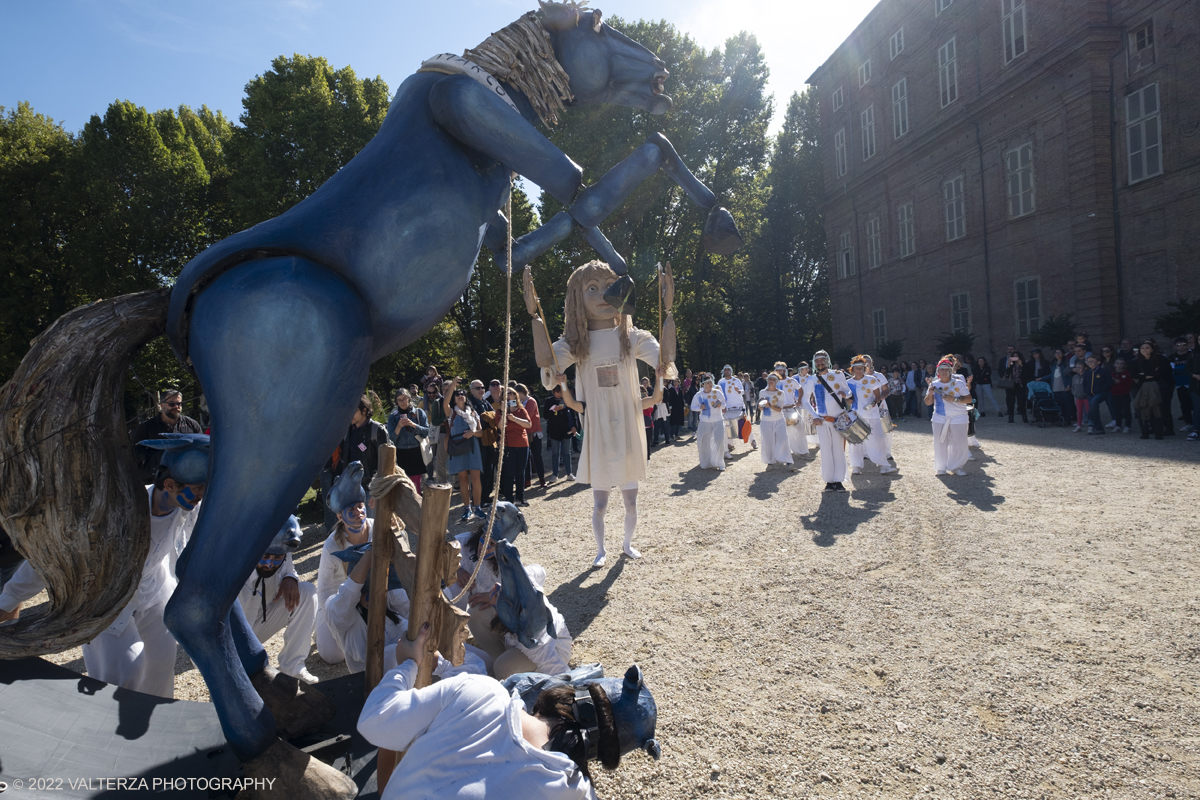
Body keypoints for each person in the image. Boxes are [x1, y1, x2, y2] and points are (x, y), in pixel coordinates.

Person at [358, 627, 660, 800]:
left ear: (575, 692)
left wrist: (406, 666)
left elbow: (373, 723)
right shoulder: (576, 793)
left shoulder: (481, 692)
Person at [536, 261, 669, 567]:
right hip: (599, 432)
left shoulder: (630, 336)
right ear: (576, 298)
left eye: (609, 287)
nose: (601, 295)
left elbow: (662, 356)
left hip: (627, 429)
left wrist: (663, 366)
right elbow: (550, 364)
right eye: (591, 288)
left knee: (631, 501)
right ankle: (600, 550)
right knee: (599, 504)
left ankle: (626, 543)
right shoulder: (575, 344)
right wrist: (556, 372)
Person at [81, 433, 209, 699]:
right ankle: (105, 731)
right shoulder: (119, 511)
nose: (202, 496)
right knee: (126, 669)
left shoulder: (188, 509)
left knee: (161, 662)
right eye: (198, 489)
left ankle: (153, 726)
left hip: (154, 592)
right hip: (109, 599)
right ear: (171, 484)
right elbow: (63, 554)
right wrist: (10, 598)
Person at [324, 544, 484, 677]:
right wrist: (370, 552)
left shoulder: (388, 595)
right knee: (399, 651)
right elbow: (349, 592)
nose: (385, 593)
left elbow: (415, 607)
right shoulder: (337, 609)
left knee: (483, 661)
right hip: (379, 673)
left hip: (419, 651)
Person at [236, 516, 319, 684]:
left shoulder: (282, 550)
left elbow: (289, 568)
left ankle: (293, 667)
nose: (269, 564)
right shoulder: (234, 566)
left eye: (277, 559)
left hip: (257, 626)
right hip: (229, 640)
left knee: (307, 592)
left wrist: (290, 577)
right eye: (265, 556)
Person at [315, 463, 373, 664]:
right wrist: (335, 623)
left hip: (368, 594)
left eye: (360, 506)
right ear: (339, 516)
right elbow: (323, 591)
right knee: (334, 656)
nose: (358, 512)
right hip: (338, 600)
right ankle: (319, 624)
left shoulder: (378, 529)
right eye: (351, 509)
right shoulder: (332, 544)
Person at [802, 350, 851, 493]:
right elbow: (805, 400)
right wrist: (814, 415)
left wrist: (845, 394)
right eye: (817, 360)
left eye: (822, 359)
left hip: (838, 420)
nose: (820, 362)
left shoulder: (838, 374)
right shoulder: (811, 379)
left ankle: (839, 480)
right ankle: (829, 481)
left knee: (838, 450)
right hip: (822, 421)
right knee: (826, 451)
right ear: (814, 362)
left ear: (827, 360)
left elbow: (848, 391)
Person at [131, 390, 204, 483]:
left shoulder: (191, 424)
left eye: (179, 403)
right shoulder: (146, 427)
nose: (176, 407)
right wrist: (158, 458)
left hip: (186, 478)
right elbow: (136, 452)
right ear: (161, 405)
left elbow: (201, 449)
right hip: (156, 480)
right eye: (171, 404)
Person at [846, 356, 897, 476]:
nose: (860, 371)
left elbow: (878, 396)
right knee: (856, 442)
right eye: (857, 368)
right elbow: (849, 402)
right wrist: (845, 396)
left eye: (862, 368)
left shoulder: (872, 380)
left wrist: (874, 402)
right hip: (856, 416)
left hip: (872, 414)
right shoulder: (848, 383)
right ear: (852, 369)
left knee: (878, 439)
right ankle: (856, 466)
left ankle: (884, 465)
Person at [925, 358, 971, 476]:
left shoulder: (958, 383)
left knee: (959, 442)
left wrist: (954, 399)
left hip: (958, 416)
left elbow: (968, 399)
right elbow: (928, 403)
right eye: (942, 369)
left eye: (947, 369)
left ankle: (957, 466)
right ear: (938, 371)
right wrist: (930, 393)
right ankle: (941, 467)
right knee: (940, 442)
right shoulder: (934, 384)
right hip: (940, 416)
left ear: (951, 371)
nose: (944, 372)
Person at [446, 387, 486, 521]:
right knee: (463, 480)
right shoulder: (451, 412)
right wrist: (453, 385)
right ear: (453, 398)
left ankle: (478, 508)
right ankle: (467, 508)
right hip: (458, 448)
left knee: (476, 478)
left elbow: (480, 433)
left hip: (473, 447)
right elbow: (445, 402)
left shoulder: (473, 413)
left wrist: (472, 433)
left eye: (462, 393)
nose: (460, 396)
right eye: (457, 394)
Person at [387, 388, 431, 494]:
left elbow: (426, 432)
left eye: (404, 399)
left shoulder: (419, 413)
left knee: (416, 486)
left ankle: (417, 508)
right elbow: (391, 440)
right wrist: (398, 427)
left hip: (416, 451)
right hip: (401, 453)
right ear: (396, 402)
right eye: (399, 400)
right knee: (404, 486)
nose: (402, 402)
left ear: (409, 398)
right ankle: (406, 509)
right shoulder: (393, 417)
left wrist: (413, 425)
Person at [498, 387, 533, 507]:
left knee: (520, 472)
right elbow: (500, 427)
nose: (508, 395)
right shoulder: (500, 411)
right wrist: (504, 413)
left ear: (515, 396)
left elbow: (528, 425)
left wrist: (514, 418)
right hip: (508, 445)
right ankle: (509, 498)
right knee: (509, 473)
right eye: (505, 394)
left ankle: (520, 497)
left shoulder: (521, 410)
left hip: (522, 445)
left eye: (511, 393)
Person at [1131, 339, 1172, 438]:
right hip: (1140, 387)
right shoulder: (1134, 362)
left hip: (1156, 386)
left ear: (1152, 349)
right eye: (1142, 348)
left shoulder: (1160, 359)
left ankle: (1158, 432)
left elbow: (1159, 373)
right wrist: (1149, 374)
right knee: (1141, 409)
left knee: (1157, 409)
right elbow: (1133, 375)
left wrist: (1143, 374)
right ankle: (1144, 432)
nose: (1145, 349)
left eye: (1147, 348)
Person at [756, 373, 795, 470]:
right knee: (768, 442)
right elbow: (760, 406)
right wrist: (760, 406)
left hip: (779, 420)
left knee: (783, 439)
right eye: (770, 379)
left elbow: (779, 409)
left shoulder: (781, 393)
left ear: (776, 381)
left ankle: (788, 461)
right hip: (766, 420)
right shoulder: (762, 392)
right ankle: (770, 462)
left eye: (773, 379)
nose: (771, 381)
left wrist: (770, 405)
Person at [690, 374, 727, 471]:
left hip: (718, 420)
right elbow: (692, 407)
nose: (710, 384)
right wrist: (699, 408)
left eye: (711, 382)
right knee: (704, 442)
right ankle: (706, 463)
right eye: (707, 383)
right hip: (704, 422)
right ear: (703, 385)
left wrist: (720, 406)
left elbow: (724, 404)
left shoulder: (717, 392)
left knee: (719, 441)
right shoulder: (699, 395)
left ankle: (720, 463)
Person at [543, 384, 579, 482]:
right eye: (557, 392)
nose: (559, 394)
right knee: (555, 453)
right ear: (554, 392)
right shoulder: (549, 401)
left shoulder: (567, 400)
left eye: (560, 392)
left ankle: (569, 473)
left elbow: (573, 414)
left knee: (567, 453)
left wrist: (574, 426)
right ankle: (555, 474)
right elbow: (546, 415)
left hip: (567, 431)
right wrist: (554, 410)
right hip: (554, 431)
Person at [518, 385, 547, 490]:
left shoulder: (531, 401)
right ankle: (527, 480)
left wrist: (516, 416)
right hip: (523, 432)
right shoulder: (519, 402)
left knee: (536, 456)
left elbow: (528, 416)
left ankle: (542, 478)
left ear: (522, 392)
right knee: (525, 457)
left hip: (533, 432)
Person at [421, 380, 448, 482]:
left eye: (434, 392)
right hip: (429, 430)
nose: (431, 395)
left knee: (440, 458)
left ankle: (443, 480)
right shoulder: (423, 403)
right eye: (429, 393)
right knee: (430, 456)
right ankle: (430, 477)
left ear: (437, 392)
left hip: (441, 430)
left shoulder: (442, 401)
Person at [718, 365, 745, 458]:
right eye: (725, 369)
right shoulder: (721, 382)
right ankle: (729, 444)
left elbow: (743, 391)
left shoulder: (736, 380)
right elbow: (719, 395)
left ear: (731, 371)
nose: (727, 371)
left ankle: (752, 440)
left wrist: (739, 391)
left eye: (728, 369)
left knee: (742, 424)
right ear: (723, 371)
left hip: (738, 406)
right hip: (727, 408)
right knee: (728, 426)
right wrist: (722, 406)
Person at [1170, 337, 1195, 432]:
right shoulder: (1172, 357)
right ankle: (1189, 423)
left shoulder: (1192, 354)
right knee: (1184, 404)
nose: (1181, 347)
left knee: (1195, 403)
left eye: (1184, 344)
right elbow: (1172, 370)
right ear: (1175, 346)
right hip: (1180, 383)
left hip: (1192, 382)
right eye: (1179, 345)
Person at [1084, 354, 1113, 435]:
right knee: (1093, 409)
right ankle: (1098, 428)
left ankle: (1091, 421)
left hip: (1101, 393)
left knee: (1093, 403)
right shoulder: (1087, 373)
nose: (1090, 363)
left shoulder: (1103, 372)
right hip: (1090, 394)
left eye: (1092, 361)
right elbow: (1085, 384)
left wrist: (1101, 389)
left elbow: (1110, 382)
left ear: (1098, 362)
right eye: (1089, 361)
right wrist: (1086, 390)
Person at [1001, 348, 1028, 423]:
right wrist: (1009, 365)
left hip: (1020, 384)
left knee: (1021, 401)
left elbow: (1026, 373)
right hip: (1011, 385)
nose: (1015, 358)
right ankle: (1011, 417)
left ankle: (1024, 416)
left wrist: (1021, 364)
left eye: (1017, 356)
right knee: (1010, 401)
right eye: (1014, 356)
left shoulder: (1024, 364)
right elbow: (1007, 373)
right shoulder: (1011, 365)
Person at [1048, 349, 1074, 423]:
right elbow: (1051, 374)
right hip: (1055, 386)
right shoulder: (1053, 363)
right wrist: (1041, 378)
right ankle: (1061, 418)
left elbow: (1070, 375)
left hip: (1064, 386)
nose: (1058, 354)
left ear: (1063, 354)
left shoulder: (1067, 362)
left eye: (1060, 353)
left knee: (1067, 404)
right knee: (1059, 403)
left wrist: (1069, 385)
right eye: (1056, 353)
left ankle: (1068, 419)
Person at [1110, 358, 1133, 433]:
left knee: (1126, 410)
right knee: (1117, 410)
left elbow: (1130, 383)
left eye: (1121, 363)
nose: (1119, 365)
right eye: (1117, 363)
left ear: (1124, 365)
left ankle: (1127, 425)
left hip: (1124, 394)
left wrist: (1121, 382)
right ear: (1114, 364)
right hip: (1115, 394)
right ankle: (1118, 425)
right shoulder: (1112, 373)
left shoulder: (1126, 373)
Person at [1070, 361, 1089, 433]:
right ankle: (1079, 425)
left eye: (1080, 367)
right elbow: (1073, 386)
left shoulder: (1087, 376)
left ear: (1085, 368)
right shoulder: (1074, 377)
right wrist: (1074, 393)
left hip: (1086, 396)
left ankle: (1091, 425)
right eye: (1077, 367)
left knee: (1088, 411)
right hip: (1078, 396)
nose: (1078, 369)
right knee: (1079, 411)